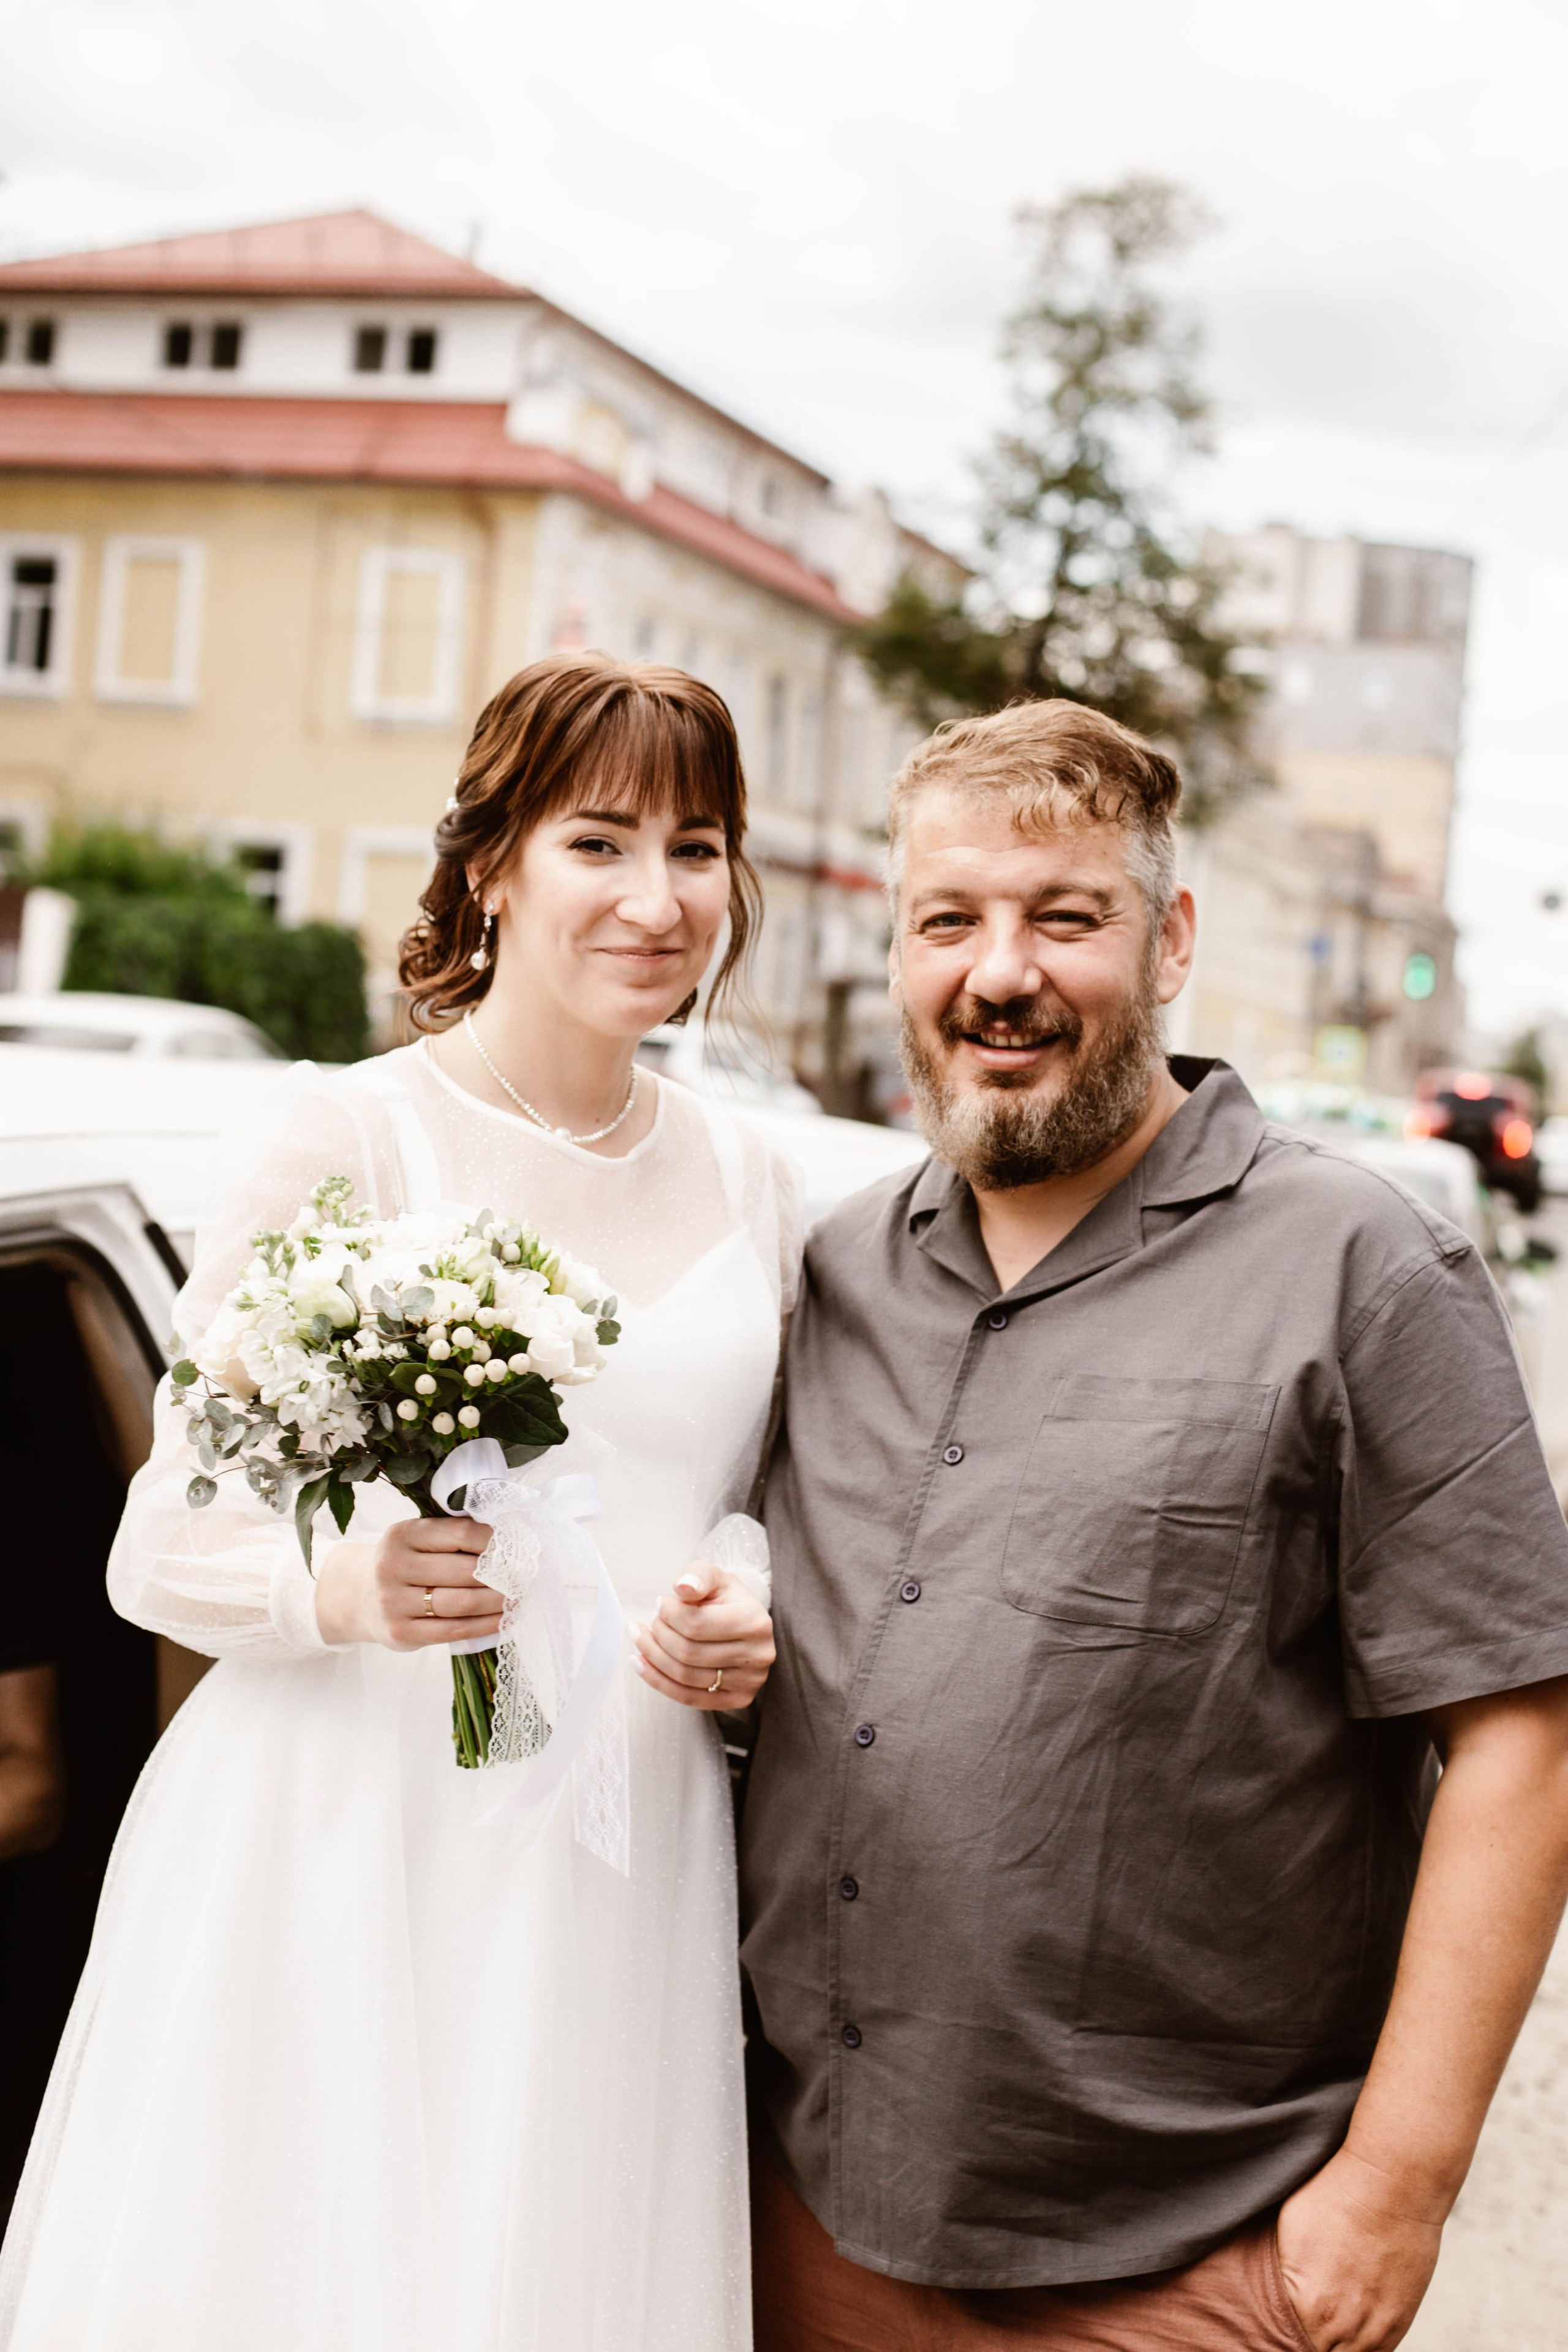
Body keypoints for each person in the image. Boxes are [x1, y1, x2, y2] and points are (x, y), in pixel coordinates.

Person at [740, 698, 1568, 2352]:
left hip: (1180, 2261)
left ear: (1171, 936)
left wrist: (1396, 2185)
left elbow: (1521, 1737)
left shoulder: (1362, 1267)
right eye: (949, 921)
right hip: (801, 2219)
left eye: (1067, 917)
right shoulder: (828, 1274)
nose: (1000, 974)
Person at [0, 652, 800, 2352]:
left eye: (699, 847)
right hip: (352, 1836)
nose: (657, 899)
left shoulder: (755, 1175)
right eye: (600, 842)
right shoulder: (351, 1139)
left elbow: (736, 1497)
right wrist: (346, 1591)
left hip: (621, 1834)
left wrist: (737, 1591)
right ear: (493, 861)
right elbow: (161, 1545)